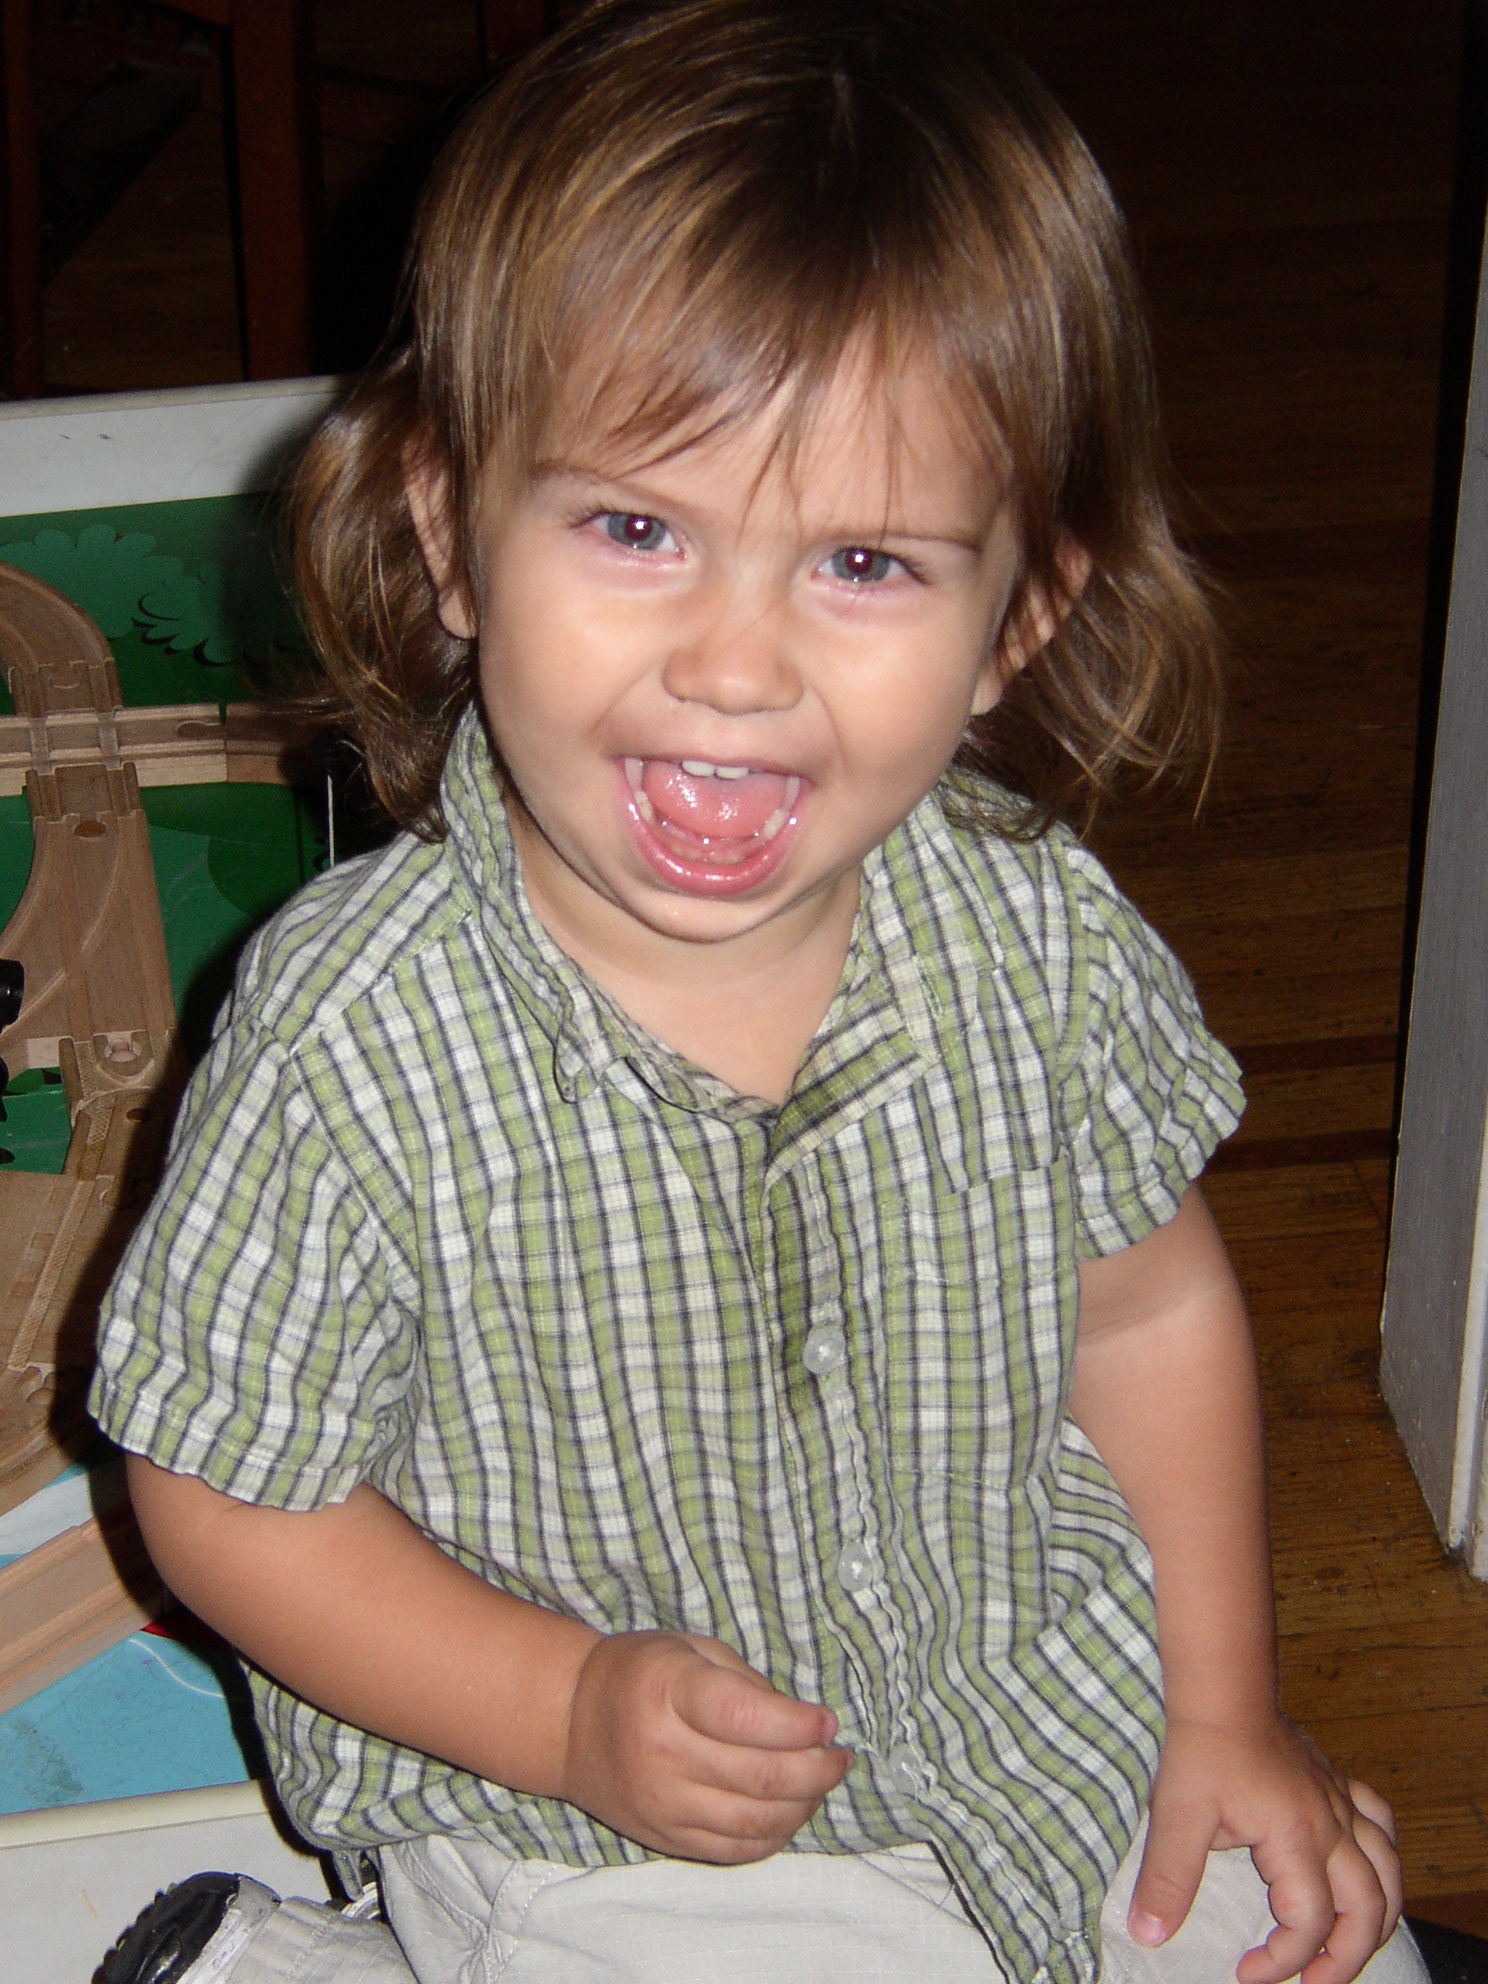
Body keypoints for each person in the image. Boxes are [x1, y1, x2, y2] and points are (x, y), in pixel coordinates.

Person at [90, 4, 1425, 1982]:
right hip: (587, 1812)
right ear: (452, 535)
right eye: (639, 528)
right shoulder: (351, 1042)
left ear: (1017, 620)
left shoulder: (1036, 936)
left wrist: (1231, 1708)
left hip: (1029, 1710)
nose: (735, 664)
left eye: (866, 563)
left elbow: (1148, 1310)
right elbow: (221, 1490)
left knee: (1324, 1945)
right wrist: (558, 1706)